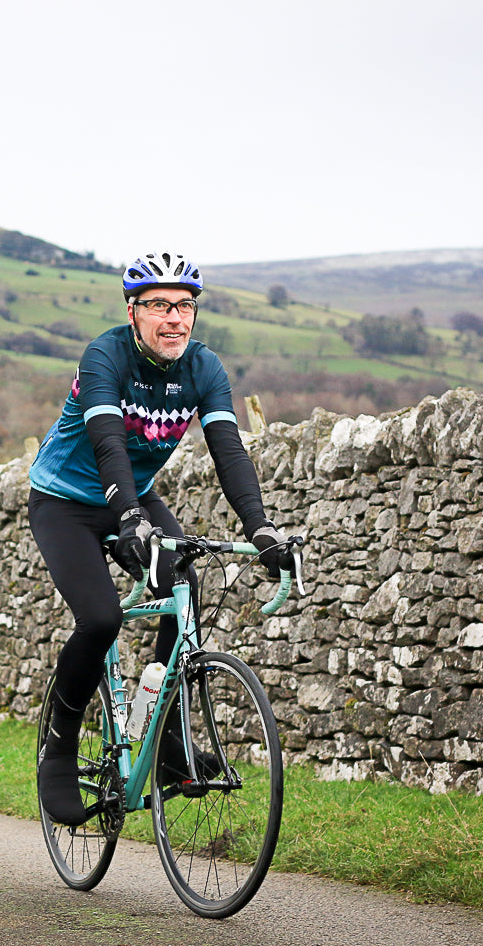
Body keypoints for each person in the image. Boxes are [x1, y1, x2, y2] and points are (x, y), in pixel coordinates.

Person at [28, 251, 296, 826]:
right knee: (99, 619)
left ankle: (170, 744)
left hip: (133, 497)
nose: (174, 318)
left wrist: (262, 529)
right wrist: (129, 518)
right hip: (66, 503)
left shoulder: (204, 368)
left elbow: (229, 450)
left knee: (186, 583)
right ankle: (59, 746)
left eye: (185, 306)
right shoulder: (105, 356)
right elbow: (108, 444)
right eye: (158, 306)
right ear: (133, 311)